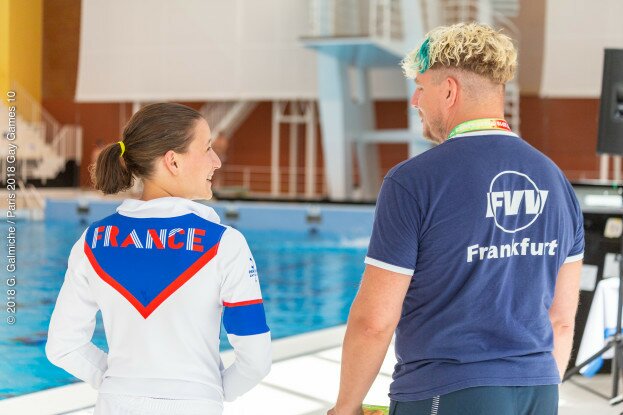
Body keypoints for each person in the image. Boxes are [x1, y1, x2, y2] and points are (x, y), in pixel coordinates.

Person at [328, 22, 583, 415]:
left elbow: (374, 322)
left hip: (447, 391)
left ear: (449, 90)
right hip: (538, 390)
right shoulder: (557, 180)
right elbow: (562, 320)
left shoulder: (413, 181)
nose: (415, 101)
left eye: (421, 87)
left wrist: (345, 407)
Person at [46, 103, 271, 415]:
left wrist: (118, 382)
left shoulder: (92, 241)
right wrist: (208, 391)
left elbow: (63, 346)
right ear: (173, 161)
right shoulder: (224, 244)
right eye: (207, 148)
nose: (216, 161)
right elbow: (256, 360)